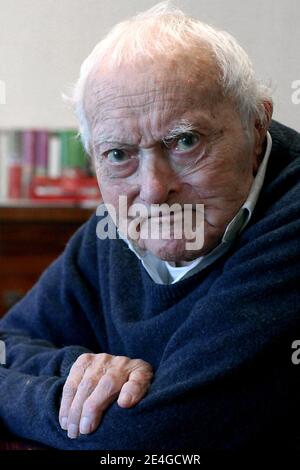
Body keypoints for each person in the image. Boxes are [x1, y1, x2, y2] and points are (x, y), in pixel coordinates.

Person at [0, 2, 300, 450]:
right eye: (119, 154)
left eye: (185, 142)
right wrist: (81, 370)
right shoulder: (115, 228)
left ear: (256, 129)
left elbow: (157, 434)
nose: (154, 190)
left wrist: (41, 394)